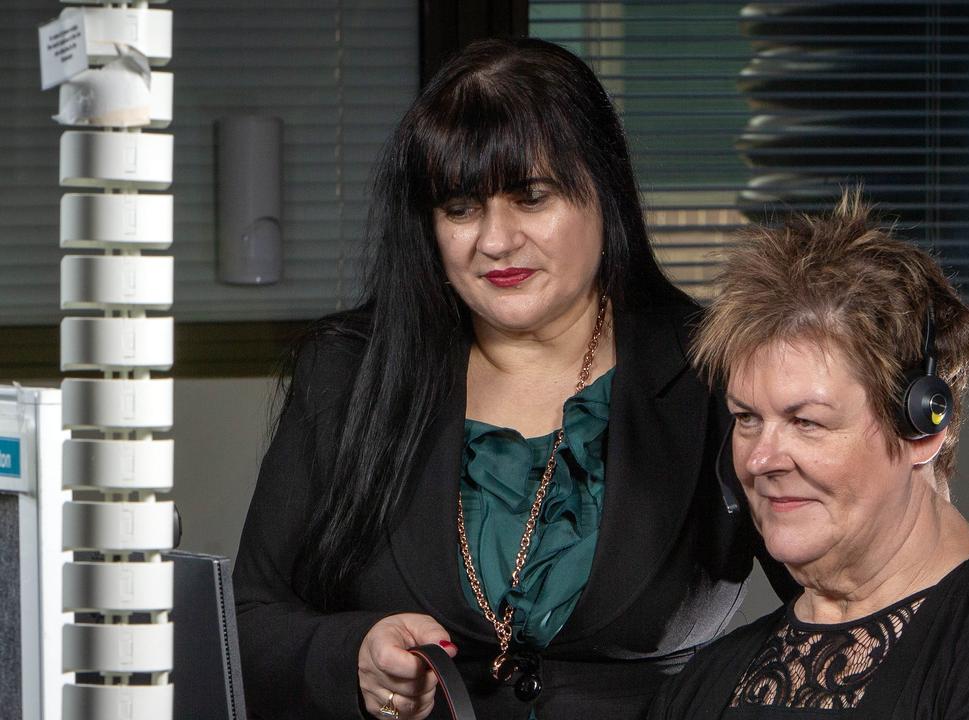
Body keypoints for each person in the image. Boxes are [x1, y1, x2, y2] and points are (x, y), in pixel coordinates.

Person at [233, 38, 789, 720]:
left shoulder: (718, 367)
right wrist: (351, 652)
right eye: (461, 207)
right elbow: (246, 621)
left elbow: (848, 600)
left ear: (604, 194)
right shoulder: (347, 372)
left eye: (530, 197)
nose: (495, 240)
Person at [646, 193, 969, 719]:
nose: (761, 460)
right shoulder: (711, 681)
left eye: (806, 422)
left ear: (923, 427)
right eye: (747, 419)